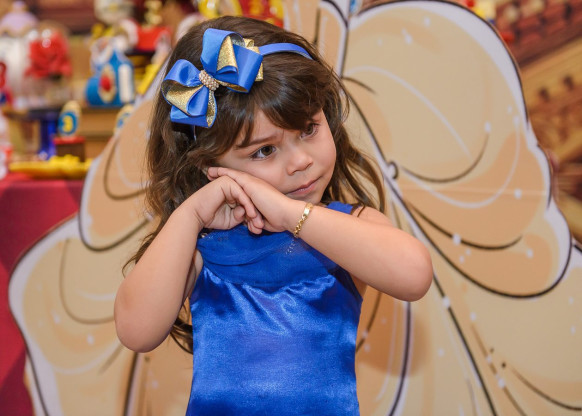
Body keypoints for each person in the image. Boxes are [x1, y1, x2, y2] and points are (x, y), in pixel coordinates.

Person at [114, 16, 433, 415]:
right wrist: (191, 214)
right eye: (264, 151)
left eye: (309, 129)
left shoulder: (347, 226)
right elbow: (136, 330)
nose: (301, 161)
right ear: (210, 166)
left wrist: (288, 213)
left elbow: (414, 274)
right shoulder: (198, 245)